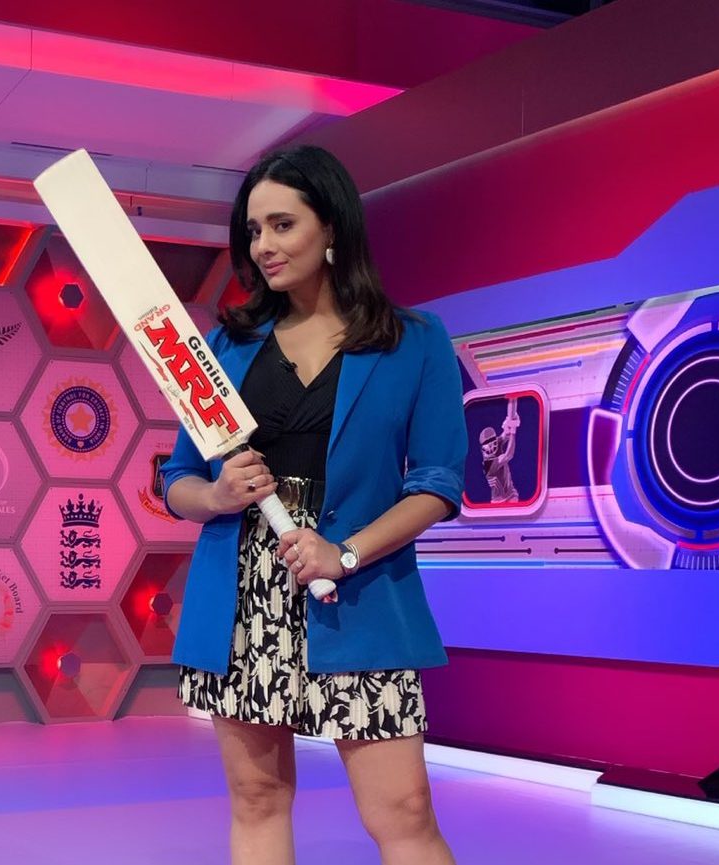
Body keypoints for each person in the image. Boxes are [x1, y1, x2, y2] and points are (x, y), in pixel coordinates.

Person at [160, 145, 465, 865]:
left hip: (357, 593)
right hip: (242, 598)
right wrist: (216, 494)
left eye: (281, 224)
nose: (262, 246)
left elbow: (438, 483)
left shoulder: (413, 341)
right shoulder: (226, 346)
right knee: (258, 799)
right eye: (253, 230)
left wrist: (344, 553)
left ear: (331, 226)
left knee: (403, 811)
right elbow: (177, 478)